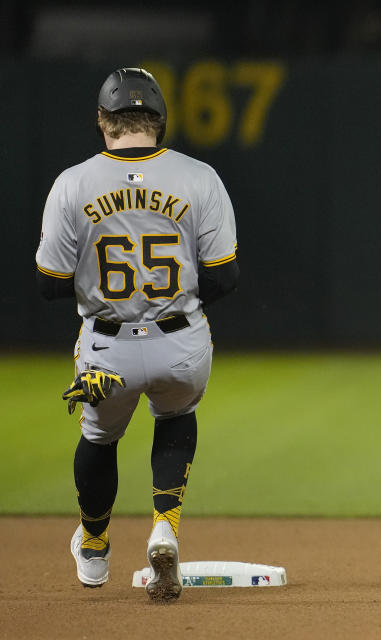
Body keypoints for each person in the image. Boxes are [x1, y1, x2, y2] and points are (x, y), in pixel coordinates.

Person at [35, 67, 239, 602]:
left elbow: (49, 284)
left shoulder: (73, 183)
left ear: (104, 122)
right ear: (160, 122)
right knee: (175, 417)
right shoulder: (200, 177)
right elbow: (224, 276)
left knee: (100, 439)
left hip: (107, 348)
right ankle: (165, 526)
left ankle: (96, 551)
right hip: (182, 341)